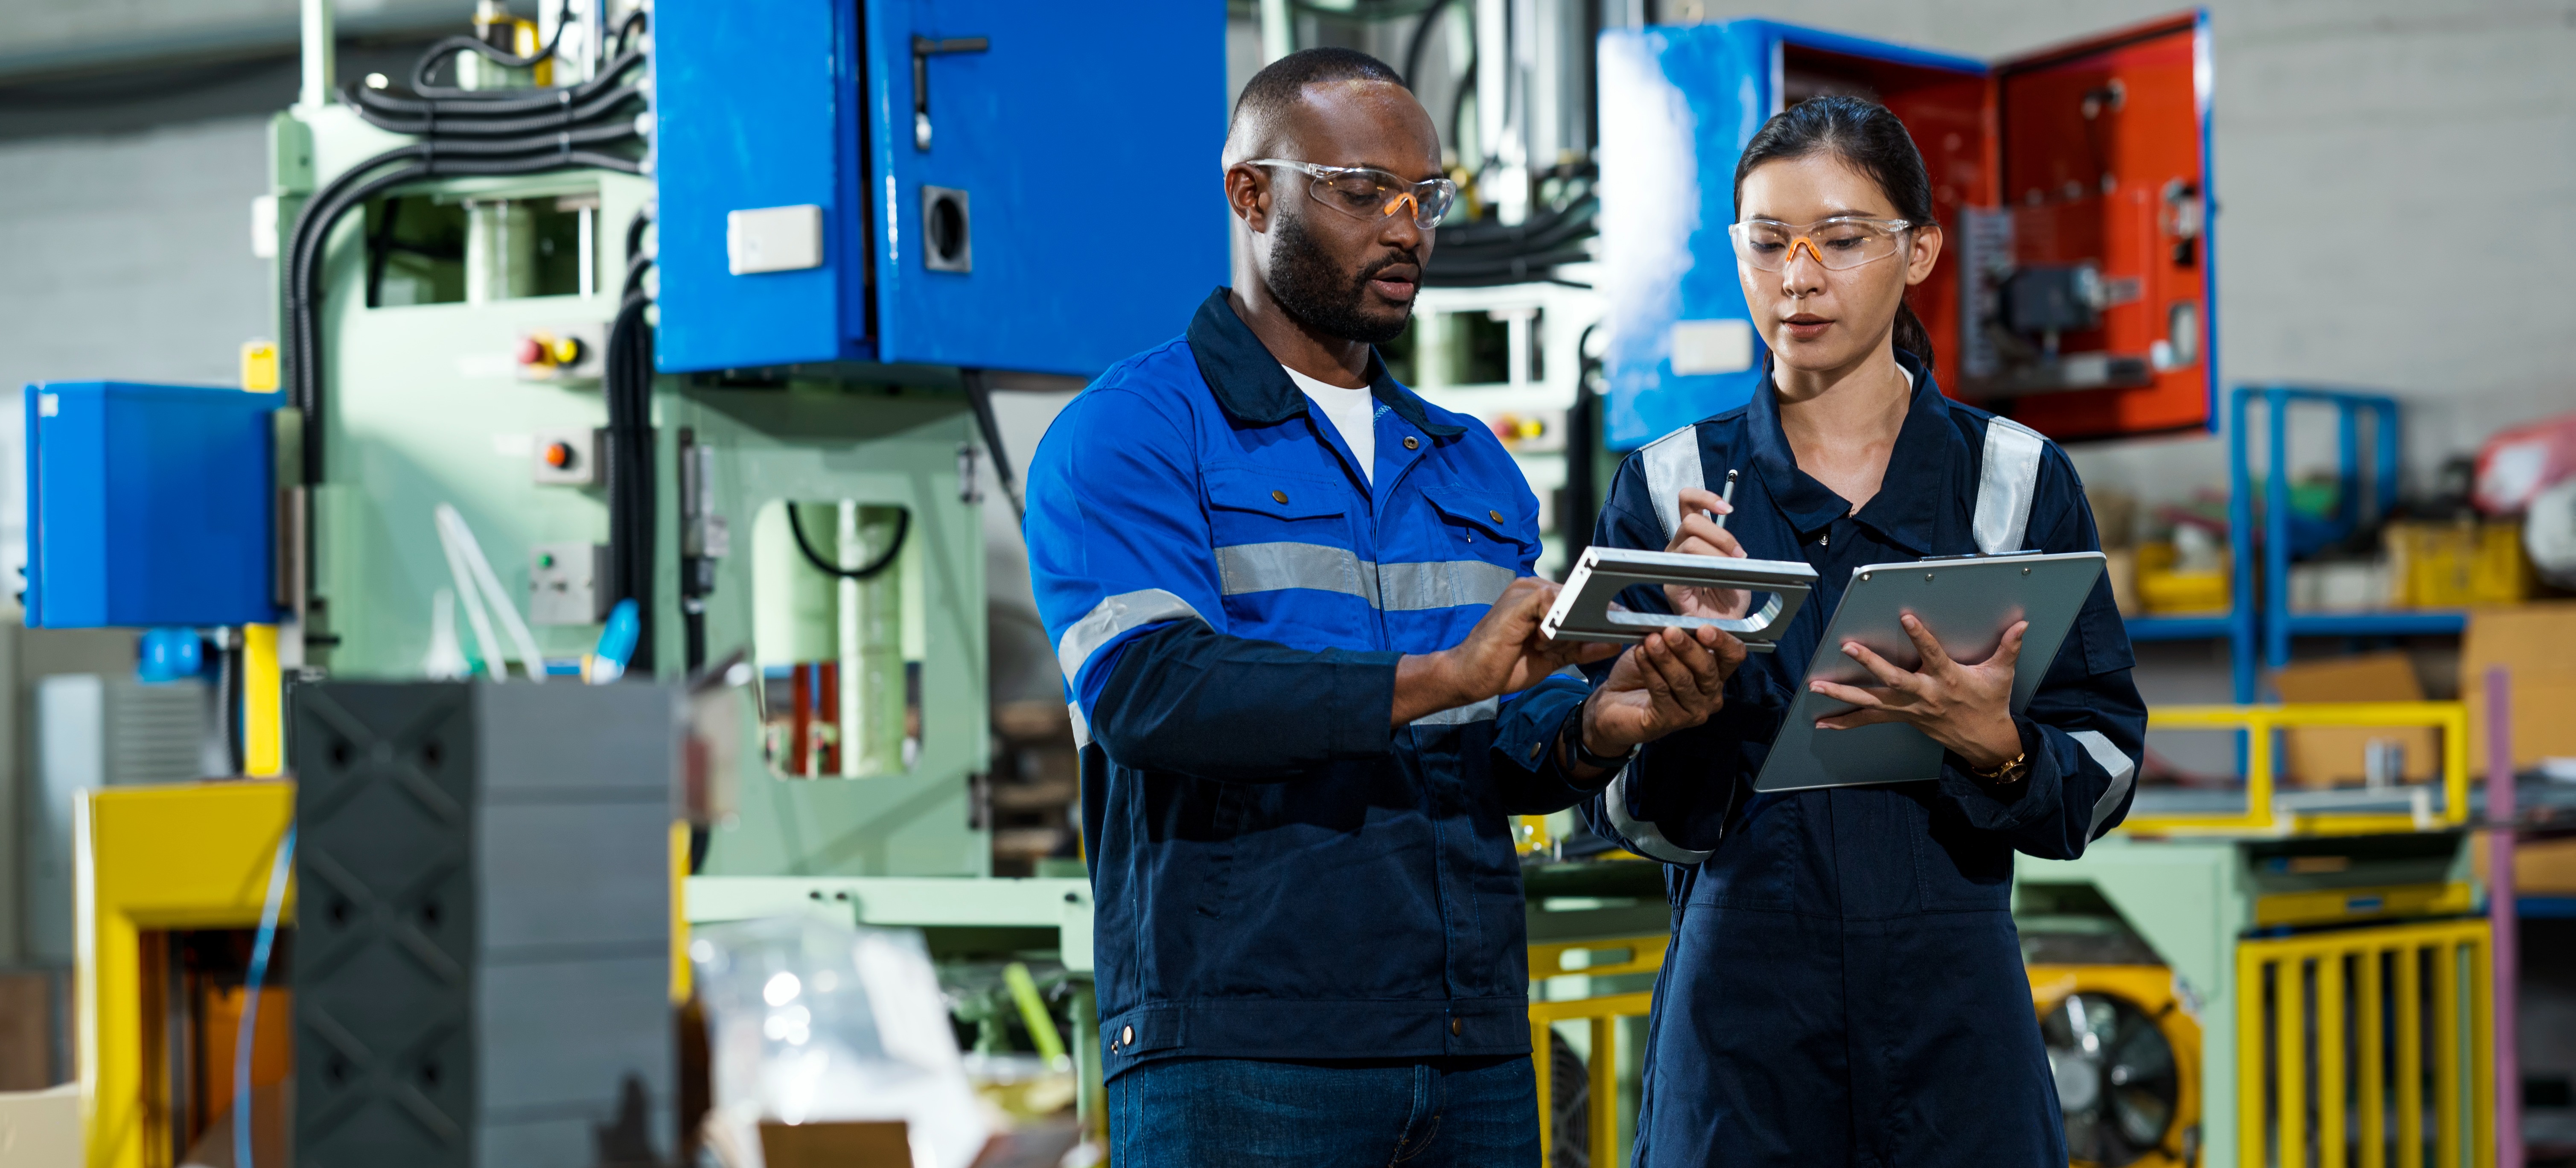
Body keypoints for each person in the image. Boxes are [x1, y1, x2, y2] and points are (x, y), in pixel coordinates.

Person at [1022, 48, 1740, 1167]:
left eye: (1426, 198)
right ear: (1251, 193)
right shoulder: (1134, 432)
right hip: (1238, 1046)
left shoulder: (1466, 466)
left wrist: (1604, 722)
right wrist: (1442, 678)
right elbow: (1151, 693)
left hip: (1470, 1039)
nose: (1407, 228)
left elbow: (1489, 747)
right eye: (1363, 194)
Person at [1579, 95, 2150, 1166]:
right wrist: (1683, 698)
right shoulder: (1675, 490)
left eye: (1840, 241)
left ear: (1920, 250)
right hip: (1741, 1022)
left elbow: (2108, 760)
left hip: (1954, 1020)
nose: (1799, 277)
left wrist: (2003, 747)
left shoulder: (2016, 481)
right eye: (1767, 243)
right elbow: (1622, 803)